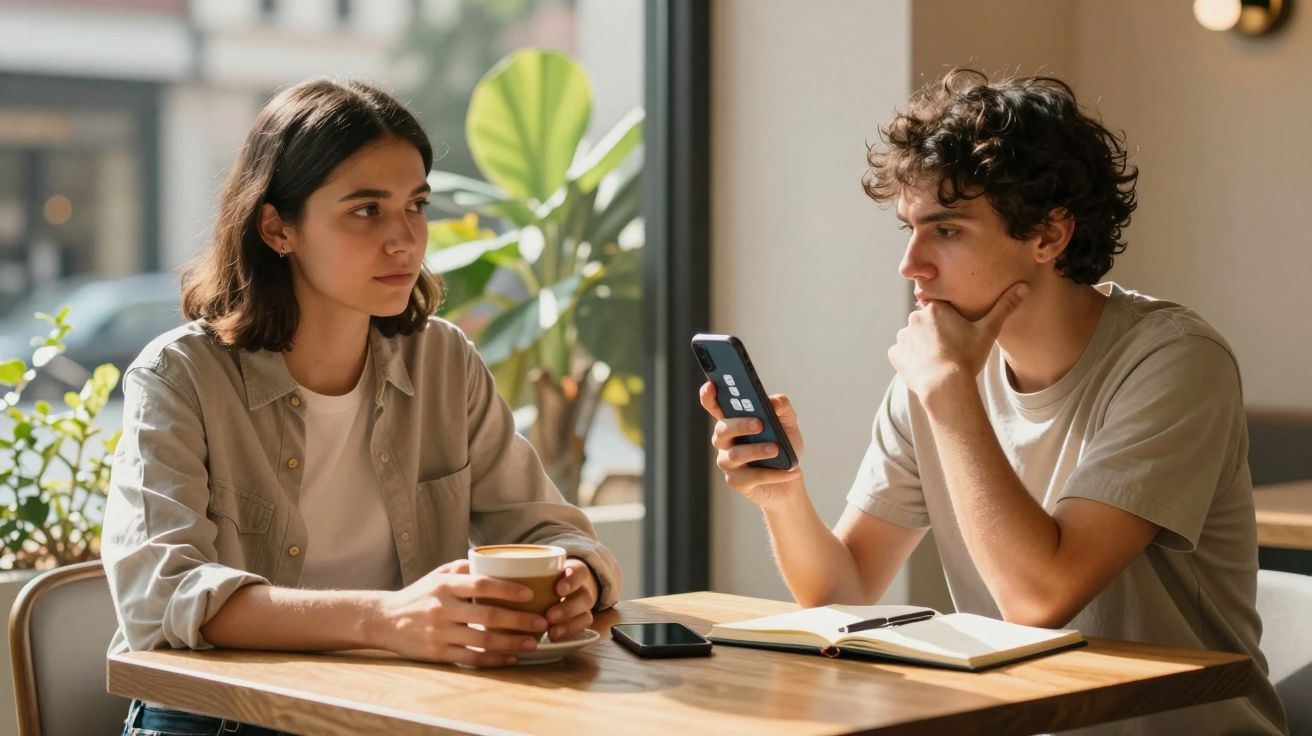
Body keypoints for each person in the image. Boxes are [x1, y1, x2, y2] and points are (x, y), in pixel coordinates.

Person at [700, 69, 1287, 735]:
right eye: (909, 230)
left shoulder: (1175, 361)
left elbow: (1039, 597)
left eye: (946, 230)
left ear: (1047, 235)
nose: (911, 263)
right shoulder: (935, 375)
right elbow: (844, 590)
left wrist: (949, 392)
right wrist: (784, 495)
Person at [102, 78, 621, 735]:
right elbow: (164, 595)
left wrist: (574, 578)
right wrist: (387, 618)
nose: (405, 239)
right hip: (217, 721)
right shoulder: (178, 377)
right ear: (277, 227)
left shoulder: (443, 362)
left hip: (392, 711)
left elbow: (549, 529)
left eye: (417, 205)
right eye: (367, 211)